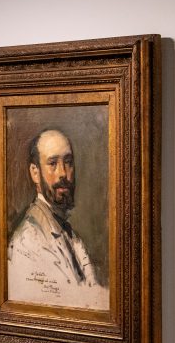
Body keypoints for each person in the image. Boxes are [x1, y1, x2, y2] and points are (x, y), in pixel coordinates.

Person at [8, 128, 109, 309]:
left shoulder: (70, 235)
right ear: (35, 172)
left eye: (68, 162)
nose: (63, 173)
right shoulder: (28, 242)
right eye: (53, 163)